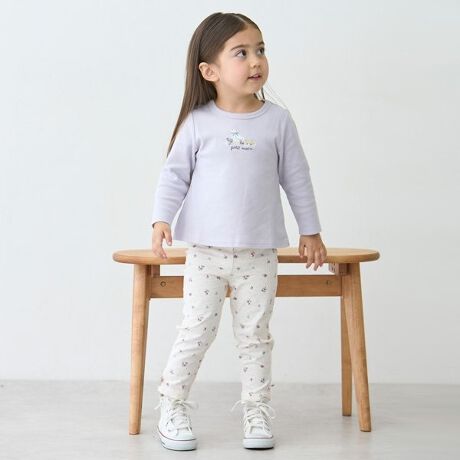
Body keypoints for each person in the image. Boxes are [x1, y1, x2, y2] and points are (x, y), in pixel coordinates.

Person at [150, 11, 327, 451]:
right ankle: (171, 403)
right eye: (241, 53)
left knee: (255, 336)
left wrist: (310, 231)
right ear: (209, 71)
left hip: (258, 254)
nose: (256, 61)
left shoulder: (277, 121)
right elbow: (173, 176)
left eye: (260, 50)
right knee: (196, 331)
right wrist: (161, 219)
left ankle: (256, 409)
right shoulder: (198, 122)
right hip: (205, 253)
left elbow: (298, 179)